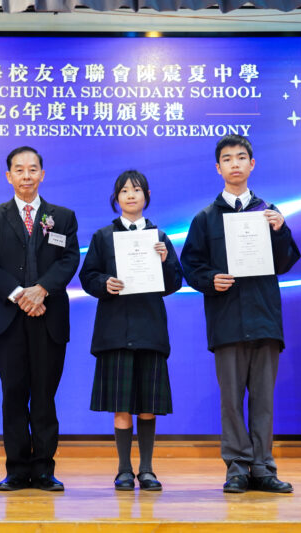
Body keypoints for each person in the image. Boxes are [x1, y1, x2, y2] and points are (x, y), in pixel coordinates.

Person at [180, 135, 301, 494]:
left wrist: (280, 230)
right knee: (231, 400)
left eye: (241, 157)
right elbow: (191, 266)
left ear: (252, 164)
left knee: (264, 400)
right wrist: (209, 280)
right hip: (227, 320)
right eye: (227, 159)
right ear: (218, 168)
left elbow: (285, 262)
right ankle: (236, 467)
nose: (235, 164)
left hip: (264, 319)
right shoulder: (205, 218)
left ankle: (263, 467)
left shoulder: (269, 213)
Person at [0, 146, 80, 491]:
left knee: (45, 395)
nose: (26, 176)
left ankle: (44, 469)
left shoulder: (61, 217)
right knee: (13, 393)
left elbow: (68, 260)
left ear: (42, 175)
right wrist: (20, 294)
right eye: (19, 170)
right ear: (9, 176)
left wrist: (42, 290)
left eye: (32, 169)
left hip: (48, 316)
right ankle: (17, 470)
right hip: (8, 318)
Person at [79, 170, 183, 491]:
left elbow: (174, 283)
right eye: (124, 191)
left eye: (136, 190)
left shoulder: (159, 237)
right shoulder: (102, 237)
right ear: (117, 198)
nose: (130, 195)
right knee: (121, 405)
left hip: (150, 330)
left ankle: (147, 470)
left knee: (148, 406)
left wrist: (165, 262)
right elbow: (87, 276)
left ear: (146, 196)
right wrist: (104, 283)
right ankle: (124, 469)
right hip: (115, 332)